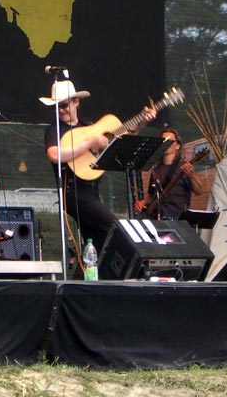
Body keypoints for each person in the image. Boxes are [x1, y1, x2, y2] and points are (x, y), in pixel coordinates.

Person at [40, 80, 156, 275]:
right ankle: (139, 271)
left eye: (64, 105)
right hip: (73, 192)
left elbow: (124, 132)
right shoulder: (55, 130)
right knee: (113, 228)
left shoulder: (88, 126)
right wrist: (89, 143)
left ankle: (86, 282)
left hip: (92, 191)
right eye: (57, 106)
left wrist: (142, 121)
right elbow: (54, 154)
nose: (60, 110)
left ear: (76, 102)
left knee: (96, 242)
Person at [133, 127, 208, 220]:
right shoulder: (155, 169)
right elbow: (153, 195)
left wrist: (192, 175)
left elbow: (199, 191)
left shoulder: (184, 167)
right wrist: (142, 202)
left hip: (179, 219)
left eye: (170, 141)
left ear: (177, 146)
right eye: (163, 140)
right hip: (159, 219)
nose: (166, 143)